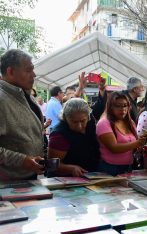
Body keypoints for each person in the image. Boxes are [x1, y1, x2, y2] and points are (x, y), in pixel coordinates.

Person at [0, 49, 45, 180]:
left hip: (28, 178)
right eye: (28, 70)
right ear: (11, 72)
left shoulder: (25, 95)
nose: (34, 74)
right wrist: (22, 160)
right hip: (7, 183)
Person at [96, 92, 147, 175]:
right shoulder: (104, 123)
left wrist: (142, 144)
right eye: (117, 106)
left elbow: (135, 145)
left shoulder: (130, 122)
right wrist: (137, 143)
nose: (122, 109)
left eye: (125, 105)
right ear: (110, 107)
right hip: (109, 168)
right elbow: (114, 148)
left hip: (129, 167)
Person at [48, 98, 100, 177]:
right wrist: (70, 168)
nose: (79, 126)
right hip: (64, 180)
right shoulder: (59, 135)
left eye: (83, 121)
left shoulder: (91, 123)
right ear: (65, 118)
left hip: (91, 175)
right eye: (74, 122)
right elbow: (51, 165)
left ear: (88, 117)